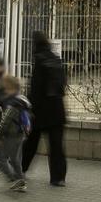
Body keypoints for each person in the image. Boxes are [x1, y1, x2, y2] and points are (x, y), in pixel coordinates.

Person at [22, 31, 69, 186]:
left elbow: (36, 88)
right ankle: (58, 177)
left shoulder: (39, 61)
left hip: (41, 110)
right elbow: (62, 84)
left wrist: (29, 105)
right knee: (56, 145)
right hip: (57, 109)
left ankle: (20, 169)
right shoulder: (56, 60)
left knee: (31, 142)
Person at [0, 75, 32, 191]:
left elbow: (5, 120)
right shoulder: (22, 101)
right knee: (15, 159)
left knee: (3, 159)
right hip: (20, 134)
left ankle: (17, 179)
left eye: (5, 88)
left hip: (10, 134)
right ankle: (18, 179)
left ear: (10, 88)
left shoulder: (13, 103)